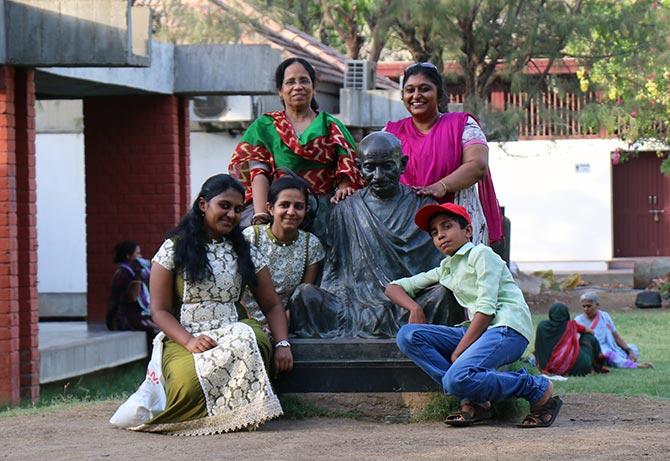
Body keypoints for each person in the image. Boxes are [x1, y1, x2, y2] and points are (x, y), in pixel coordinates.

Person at [113, 174, 293, 435]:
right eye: (224, 206)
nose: (231, 214)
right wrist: (189, 341)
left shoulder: (246, 250)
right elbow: (159, 310)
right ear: (202, 205)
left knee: (249, 340)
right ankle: (215, 418)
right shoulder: (173, 249)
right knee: (186, 385)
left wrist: (283, 344)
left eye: (238, 209)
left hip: (233, 331)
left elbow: (272, 305)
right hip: (184, 333)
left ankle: (240, 416)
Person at [387, 202, 562, 428]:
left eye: (447, 226)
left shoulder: (481, 254)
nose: (440, 235)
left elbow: (487, 310)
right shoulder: (446, 268)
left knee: (456, 378)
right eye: (434, 232)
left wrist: (459, 351)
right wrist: (414, 308)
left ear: (467, 231)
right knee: (408, 335)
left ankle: (536, 388)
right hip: (477, 331)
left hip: (506, 329)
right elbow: (393, 287)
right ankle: (476, 398)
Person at [289, 131, 464, 338]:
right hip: (356, 306)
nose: (378, 176)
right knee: (304, 296)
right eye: (370, 167)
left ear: (402, 164)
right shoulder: (345, 209)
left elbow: (441, 270)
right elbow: (334, 272)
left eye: (387, 166)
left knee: (445, 293)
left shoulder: (424, 207)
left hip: (408, 305)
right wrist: (349, 306)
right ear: (358, 168)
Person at [229, 57, 365, 241]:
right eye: (290, 82)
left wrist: (344, 188)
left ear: (314, 88)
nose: (298, 86)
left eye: (304, 80)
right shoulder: (265, 126)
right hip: (279, 212)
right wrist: (261, 217)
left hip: (325, 216)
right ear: (280, 90)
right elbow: (258, 172)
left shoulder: (331, 126)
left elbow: (348, 168)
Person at [384, 62, 503, 246]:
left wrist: (441, 186)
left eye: (425, 89)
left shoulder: (463, 125)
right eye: (410, 90)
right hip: (405, 230)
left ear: (439, 94)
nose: (416, 96)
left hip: (457, 227)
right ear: (403, 96)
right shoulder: (390, 133)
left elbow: (478, 165)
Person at [240, 174, 325, 337]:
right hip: (246, 323)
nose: (291, 212)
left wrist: (279, 330)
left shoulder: (311, 245)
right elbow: (237, 289)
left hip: (287, 325)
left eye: (298, 206)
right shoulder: (251, 238)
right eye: (284, 205)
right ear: (270, 208)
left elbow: (302, 299)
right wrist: (253, 327)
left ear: (306, 210)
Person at [575, 292, 653, 369]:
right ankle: (634, 365)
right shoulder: (578, 320)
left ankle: (618, 360)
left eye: (589, 306)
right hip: (593, 349)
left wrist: (629, 350)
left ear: (597, 305)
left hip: (610, 346)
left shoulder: (605, 316)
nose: (586, 309)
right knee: (608, 354)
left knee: (633, 349)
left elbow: (616, 336)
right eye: (584, 306)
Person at [534, 303, 607, 376]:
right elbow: (590, 332)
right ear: (566, 314)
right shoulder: (570, 325)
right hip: (583, 367)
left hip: (552, 368)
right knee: (588, 336)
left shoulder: (542, 326)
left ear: (550, 313)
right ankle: (599, 363)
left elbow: (538, 347)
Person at [106, 240, 159, 339]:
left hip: (135, 314)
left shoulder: (135, 272)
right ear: (128, 256)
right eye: (137, 253)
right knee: (154, 329)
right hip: (121, 318)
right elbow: (132, 298)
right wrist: (137, 277)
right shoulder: (124, 273)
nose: (140, 256)